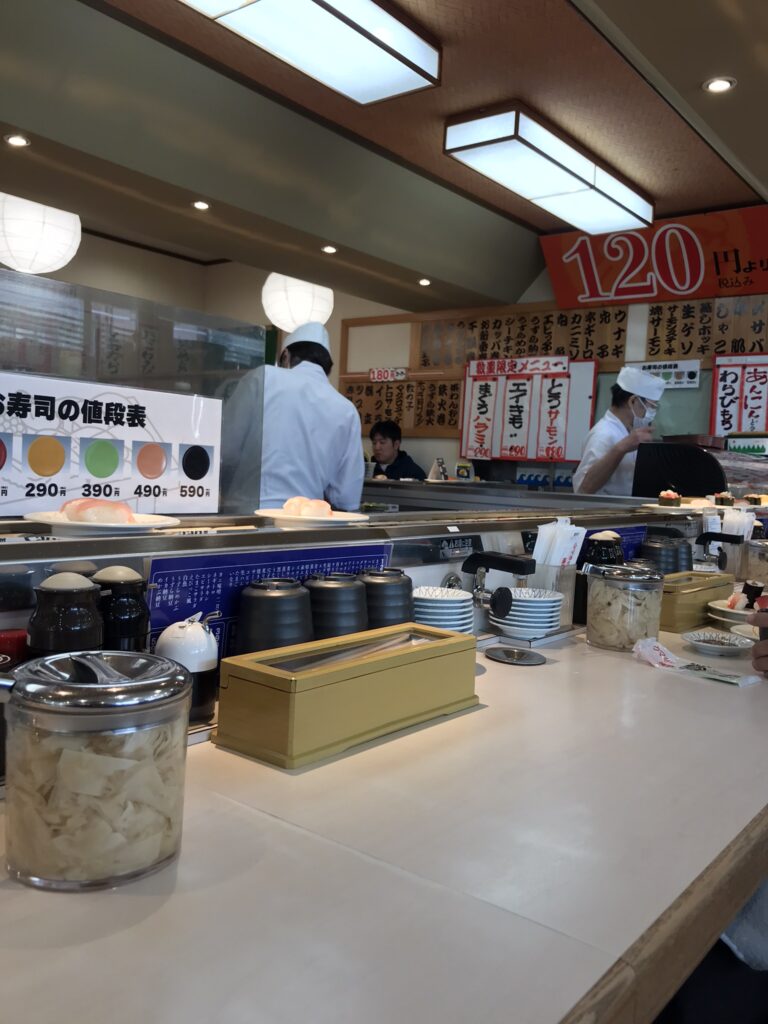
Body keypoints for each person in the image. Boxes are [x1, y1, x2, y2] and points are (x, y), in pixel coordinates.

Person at [220, 321, 363, 511]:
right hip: (306, 522)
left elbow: (226, 449)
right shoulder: (346, 409)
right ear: (327, 366)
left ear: (286, 356)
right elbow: (347, 497)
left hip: (247, 515)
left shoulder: (262, 377)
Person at [573, 365, 666, 496]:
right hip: (604, 513)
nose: (652, 413)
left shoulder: (625, 431)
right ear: (633, 401)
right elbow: (584, 489)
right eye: (651, 406)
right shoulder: (603, 433)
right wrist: (622, 448)